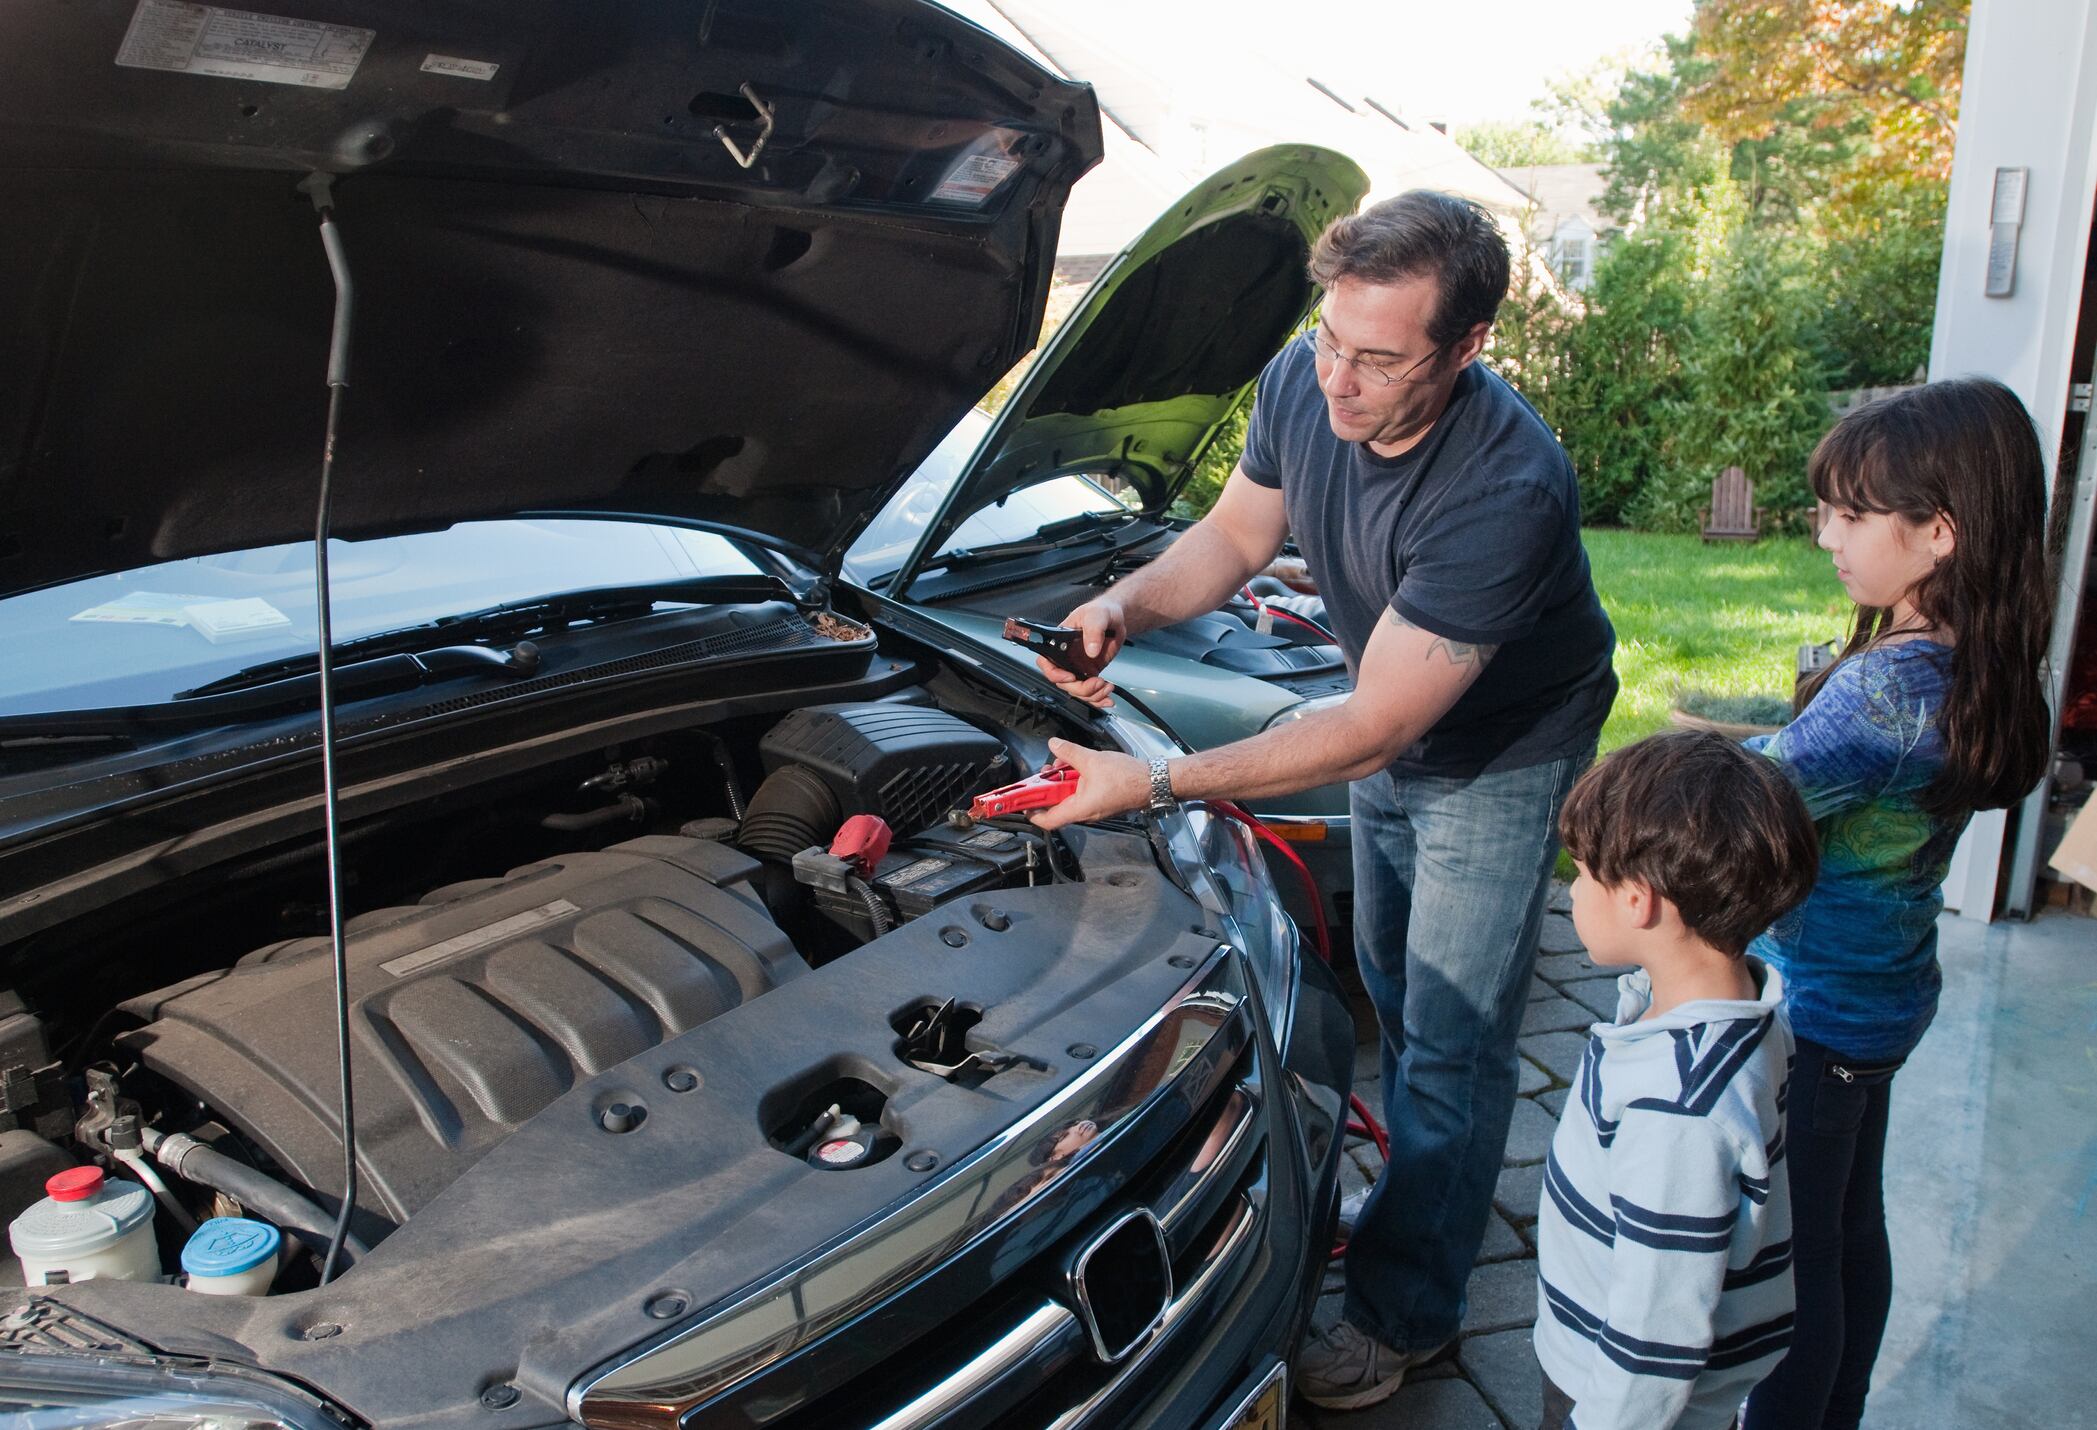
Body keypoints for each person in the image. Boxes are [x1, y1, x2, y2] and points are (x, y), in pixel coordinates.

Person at [1027, 190, 1619, 1408]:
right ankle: (1415, 1202)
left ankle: (1410, 1309)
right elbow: (1238, 538)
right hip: (1393, 715)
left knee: (1452, 1039)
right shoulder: (1312, 375)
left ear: (1466, 349)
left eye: (1379, 358)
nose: (1338, 383)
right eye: (1331, 341)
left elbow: (1366, 731)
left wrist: (1156, 779)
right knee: (1393, 986)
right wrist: (1124, 608)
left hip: (1498, 752)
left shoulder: (1506, 486)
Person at [1739, 380, 2053, 1430]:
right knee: (1846, 1223)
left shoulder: (1885, 692)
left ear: (1940, 532)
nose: (1826, 530)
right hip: (1887, 995)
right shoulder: (1976, 663)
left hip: (1822, 1007)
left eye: (1853, 511)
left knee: (1796, 1263)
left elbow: (1753, 801)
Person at [1534, 730, 1819, 1430]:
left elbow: (1654, 1335)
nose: (1572, 892)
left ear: (1638, 900)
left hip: (1610, 1394)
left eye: (1582, 874)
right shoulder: (1736, 1011)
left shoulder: (1677, 1109)